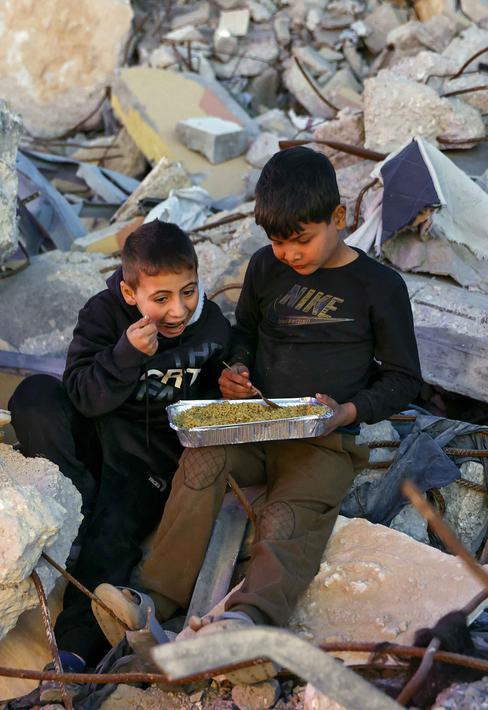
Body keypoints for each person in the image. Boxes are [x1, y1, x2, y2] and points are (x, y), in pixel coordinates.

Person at [106, 146, 423, 647]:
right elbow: (244, 334)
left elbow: (406, 379)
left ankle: (248, 623)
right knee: (200, 462)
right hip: (252, 420)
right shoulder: (265, 268)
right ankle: (153, 602)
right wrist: (237, 368)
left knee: (287, 515)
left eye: (301, 240)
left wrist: (347, 411)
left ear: (338, 218)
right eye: (277, 242)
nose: (289, 254)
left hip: (324, 435)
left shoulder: (378, 286)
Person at [8, 220, 230, 665]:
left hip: (145, 459)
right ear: (131, 295)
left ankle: (73, 651)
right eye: (161, 298)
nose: (179, 310)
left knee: (111, 542)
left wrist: (235, 376)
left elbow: (213, 396)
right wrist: (124, 355)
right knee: (34, 395)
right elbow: (82, 394)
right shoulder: (104, 313)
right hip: (95, 432)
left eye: (188, 291)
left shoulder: (211, 326)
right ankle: (75, 505)